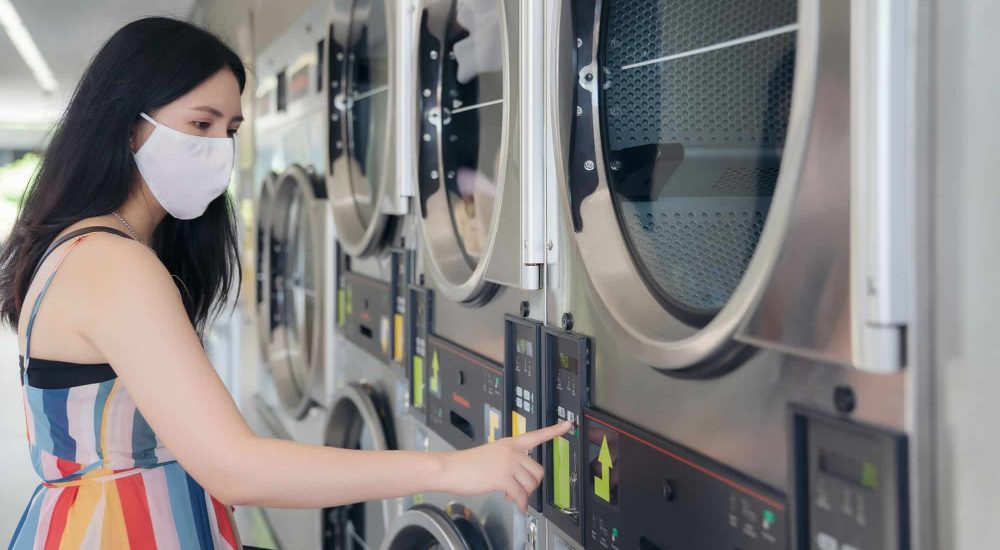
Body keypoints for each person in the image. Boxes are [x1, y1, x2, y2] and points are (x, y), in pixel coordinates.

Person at [0, 17, 570, 549]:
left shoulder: (88, 247)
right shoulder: (111, 261)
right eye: (201, 124)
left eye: (231, 130)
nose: (219, 148)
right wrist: (453, 467)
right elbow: (235, 468)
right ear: (128, 128)